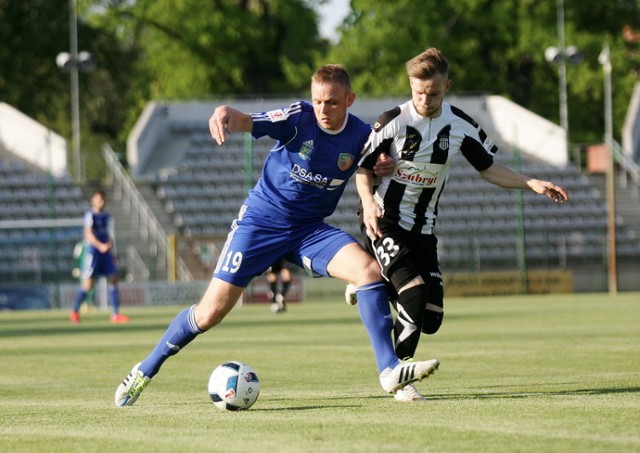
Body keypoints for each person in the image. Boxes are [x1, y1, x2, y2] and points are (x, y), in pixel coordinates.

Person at [114, 64, 440, 407]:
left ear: (349, 100)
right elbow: (248, 120)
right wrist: (226, 114)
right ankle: (144, 370)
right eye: (318, 101)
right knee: (209, 313)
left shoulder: (362, 136)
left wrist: (381, 166)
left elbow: (373, 167)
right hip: (260, 224)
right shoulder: (298, 117)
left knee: (368, 272)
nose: (323, 110)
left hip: (309, 230)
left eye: (331, 102)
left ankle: (390, 371)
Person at [351, 47, 569, 402]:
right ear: (410, 85)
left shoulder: (460, 125)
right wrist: (367, 204)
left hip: (423, 231)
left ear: (447, 86)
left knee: (432, 317)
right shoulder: (392, 121)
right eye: (418, 91)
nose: (424, 98)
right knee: (414, 295)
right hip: (384, 221)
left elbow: (488, 169)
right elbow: (363, 168)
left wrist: (530, 182)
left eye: (433, 92)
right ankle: (399, 377)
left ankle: (369, 278)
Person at [70, 190, 130, 324]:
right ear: (93, 201)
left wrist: (112, 253)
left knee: (113, 279)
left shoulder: (107, 216)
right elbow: (88, 234)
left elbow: (109, 236)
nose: (101, 201)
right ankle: (74, 311)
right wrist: (100, 246)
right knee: (88, 285)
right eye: (99, 199)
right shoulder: (90, 215)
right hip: (94, 253)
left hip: (106, 253)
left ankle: (115, 314)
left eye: (103, 199)